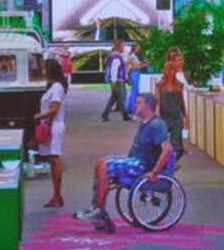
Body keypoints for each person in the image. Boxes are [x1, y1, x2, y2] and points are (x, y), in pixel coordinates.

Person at [74, 93, 173, 233]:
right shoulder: (145, 123)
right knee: (100, 163)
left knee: (105, 166)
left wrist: (155, 171)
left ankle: (99, 211)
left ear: (147, 106)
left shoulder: (157, 125)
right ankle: (97, 209)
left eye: (139, 103)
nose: (135, 105)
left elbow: (168, 150)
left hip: (143, 165)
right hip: (135, 161)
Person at [34, 57, 69, 208]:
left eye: (44, 68)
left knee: (55, 160)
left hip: (54, 126)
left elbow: (54, 109)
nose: (42, 71)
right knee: (52, 160)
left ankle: (57, 195)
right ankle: (56, 195)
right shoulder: (52, 87)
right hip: (50, 125)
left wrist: (39, 116)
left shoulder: (56, 87)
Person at [157, 53, 189, 163]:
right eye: (168, 70)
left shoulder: (179, 85)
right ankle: (162, 163)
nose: (170, 72)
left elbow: (182, 102)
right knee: (162, 143)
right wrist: (157, 117)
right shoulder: (160, 85)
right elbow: (158, 102)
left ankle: (172, 163)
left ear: (175, 71)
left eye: (172, 70)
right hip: (164, 117)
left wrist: (185, 117)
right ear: (164, 71)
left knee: (176, 145)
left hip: (176, 117)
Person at [100, 40, 130, 122]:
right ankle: (125, 115)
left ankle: (105, 114)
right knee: (121, 97)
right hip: (118, 81)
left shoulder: (114, 56)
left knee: (113, 98)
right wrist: (114, 81)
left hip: (117, 80)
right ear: (119, 47)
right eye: (122, 46)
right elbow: (114, 70)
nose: (124, 48)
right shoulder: (116, 57)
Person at [125, 43, 147, 113]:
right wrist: (145, 65)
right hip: (135, 73)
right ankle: (131, 107)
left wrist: (142, 63)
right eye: (138, 47)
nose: (139, 49)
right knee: (135, 91)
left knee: (134, 90)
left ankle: (130, 107)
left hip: (136, 73)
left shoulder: (133, 55)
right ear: (135, 48)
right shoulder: (132, 56)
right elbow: (135, 67)